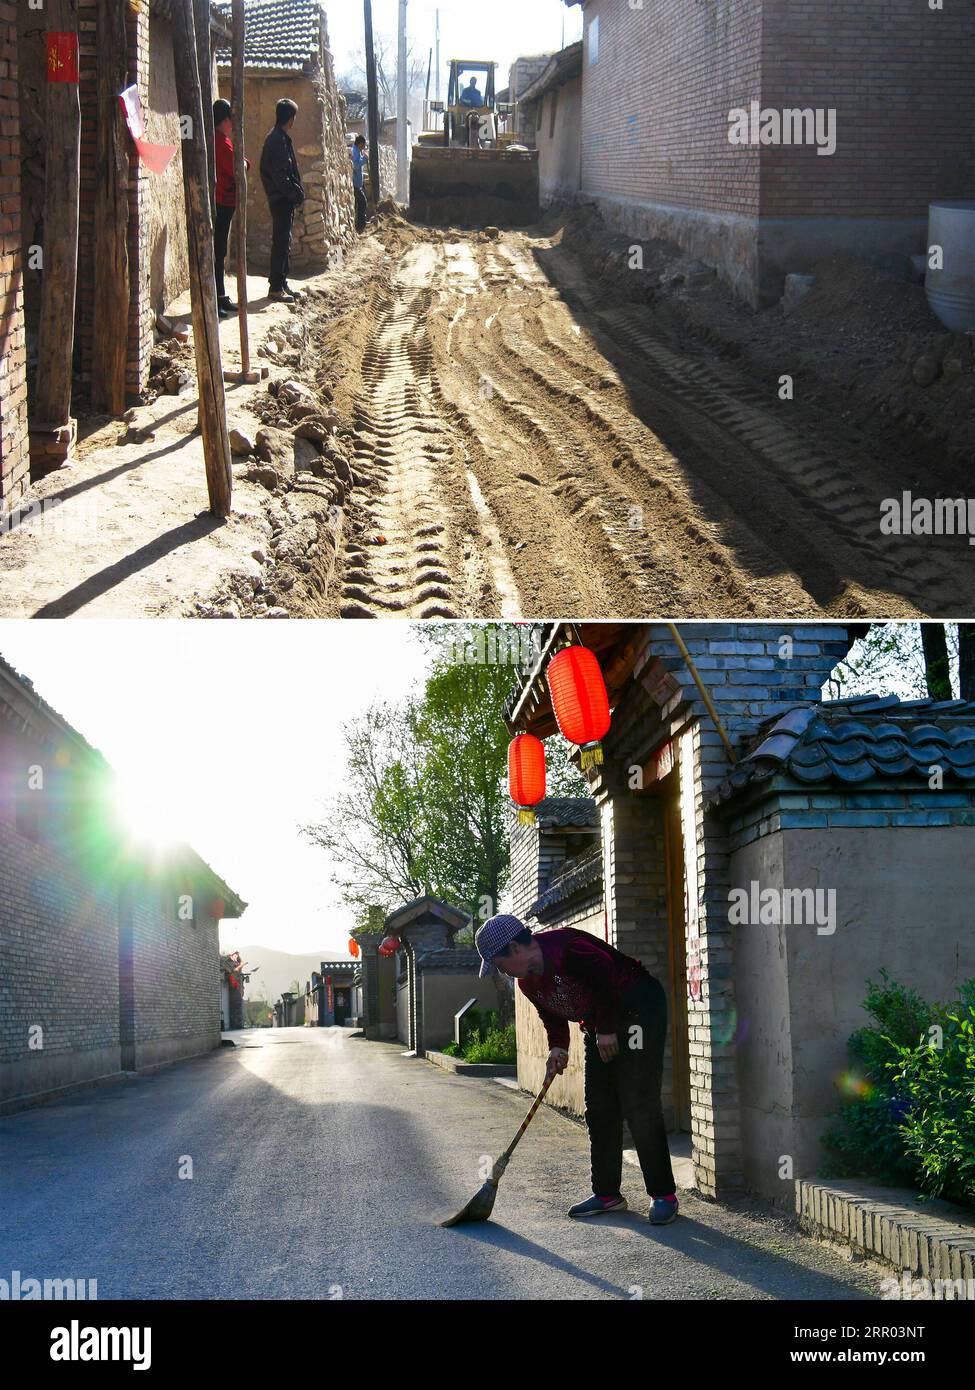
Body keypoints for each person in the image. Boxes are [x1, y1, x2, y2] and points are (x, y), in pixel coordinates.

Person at [476, 913, 679, 1226]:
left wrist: (609, 1029)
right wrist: (558, 1047)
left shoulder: (569, 947)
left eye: (500, 964)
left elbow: (605, 981)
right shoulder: (527, 982)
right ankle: (607, 1194)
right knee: (599, 1107)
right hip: (598, 1025)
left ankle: (663, 1195)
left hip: (639, 1007)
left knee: (638, 1102)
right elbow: (551, 1015)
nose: (501, 971)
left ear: (514, 948)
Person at [259, 98, 306, 304]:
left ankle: (281, 282)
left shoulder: (280, 138)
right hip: (281, 199)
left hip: (284, 198)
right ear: (289, 118)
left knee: (284, 241)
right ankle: (276, 287)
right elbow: (280, 175)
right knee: (281, 242)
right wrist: (294, 194)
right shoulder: (276, 140)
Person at [212, 99, 250, 319]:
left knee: (220, 252)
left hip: (224, 202)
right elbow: (237, 165)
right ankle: (216, 297)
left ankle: (220, 294)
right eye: (230, 120)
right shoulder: (219, 141)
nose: (232, 125)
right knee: (217, 252)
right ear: (225, 120)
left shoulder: (221, 140)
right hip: (221, 202)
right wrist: (243, 163)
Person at [351, 134, 368, 234]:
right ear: (360, 144)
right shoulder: (355, 151)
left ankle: (359, 225)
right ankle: (361, 226)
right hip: (356, 185)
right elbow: (356, 165)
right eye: (364, 145)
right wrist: (364, 160)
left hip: (358, 184)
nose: (364, 147)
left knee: (358, 204)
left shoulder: (357, 151)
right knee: (363, 203)